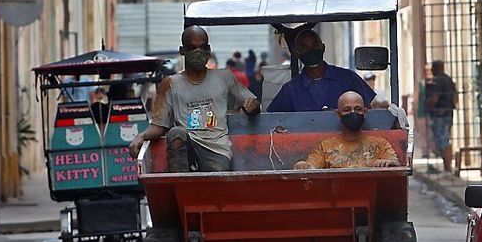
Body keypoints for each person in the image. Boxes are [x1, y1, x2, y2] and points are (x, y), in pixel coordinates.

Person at [128, 26, 260, 171]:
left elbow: (253, 103)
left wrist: (252, 106)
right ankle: (181, 184)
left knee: (215, 181)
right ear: (182, 50)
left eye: (202, 47)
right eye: (192, 48)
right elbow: (159, 126)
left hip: (217, 149)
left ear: (208, 50)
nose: (198, 52)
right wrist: (141, 136)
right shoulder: (170, 84)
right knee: (176, 133)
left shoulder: (225, 77)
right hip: (186, 147)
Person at [267, 29, 377, 112]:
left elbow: (370, 111)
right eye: (305, 47)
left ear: (323, 48)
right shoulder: (290, 91)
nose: (311, 50)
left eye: (315, 45)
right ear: (297, 53)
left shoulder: (348, 79)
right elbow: (272, 122)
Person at [293, 92, 400, 169]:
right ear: (338, 114)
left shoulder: (380, 144)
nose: (353, 113)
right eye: (347, 110)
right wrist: (302, 165)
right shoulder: (325, 147)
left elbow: (396, 165)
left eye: (358, 109)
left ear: (365, 112)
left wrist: (387, 163)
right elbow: (310, 169)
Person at [425, 60, 457, 173]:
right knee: (445, 139)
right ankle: (447, 168)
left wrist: (427, 104)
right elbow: (455, 98)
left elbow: (434, 98)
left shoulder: (438, 80)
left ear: (436, 68)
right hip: (448, 114)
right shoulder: (449, 80)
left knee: (442, 141)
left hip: (440, 114)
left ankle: (447, 169)